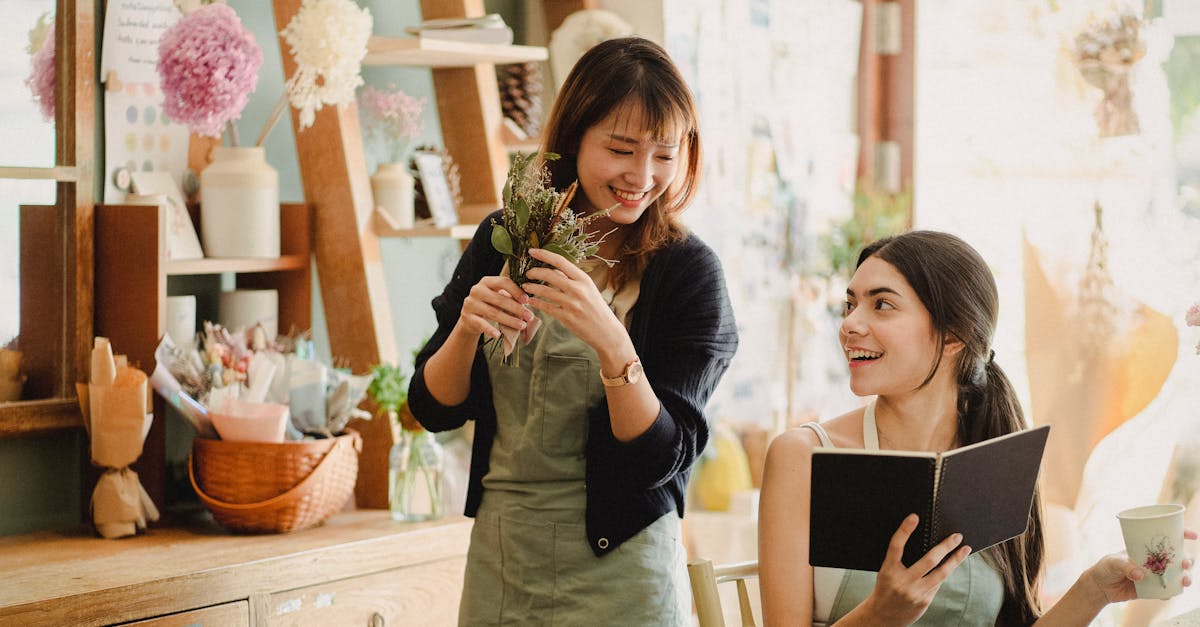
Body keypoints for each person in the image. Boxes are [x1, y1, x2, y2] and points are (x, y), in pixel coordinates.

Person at [407, 37, 738, 625]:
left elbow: (662, 458)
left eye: (665, 154)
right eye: (621, 149)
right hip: (502, 557)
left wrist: (613, 343)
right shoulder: (505, 238)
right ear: (572, 139)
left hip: (624, 573)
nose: (643, 175)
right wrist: (464, 330)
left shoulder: (686, 272)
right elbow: (432, 408)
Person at [758, 230, 1195, 626]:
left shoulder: (995, 460)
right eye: (850, 304)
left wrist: (1096, 588)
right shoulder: (804, 456)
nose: (849, 324)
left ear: (954, 336)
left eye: (882, 304)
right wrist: (881, 614)